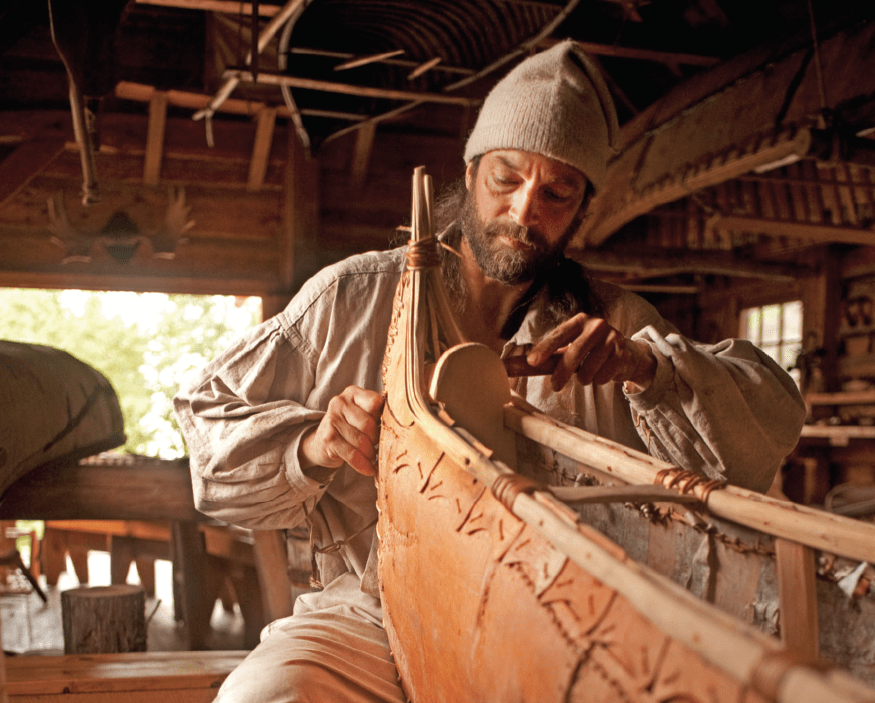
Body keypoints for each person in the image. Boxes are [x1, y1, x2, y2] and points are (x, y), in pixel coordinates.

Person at [173, 40, 805, 702]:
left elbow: (769, 419)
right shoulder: (352, 297)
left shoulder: (607, 323)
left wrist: (644, 365)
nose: (525, 209)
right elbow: (210, 436)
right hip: (373, 613)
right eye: (507, 177)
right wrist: (318, 442)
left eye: (558, 191)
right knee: (270, 695)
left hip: (556, 619)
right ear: (470, 171)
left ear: (581, 207)